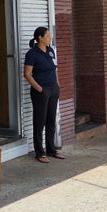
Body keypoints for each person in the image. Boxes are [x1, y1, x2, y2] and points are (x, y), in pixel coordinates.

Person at [24, 27, 65, 163]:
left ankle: (51, 149)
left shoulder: (51, 51)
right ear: (40, 38)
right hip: (41, 91)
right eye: (47, 36)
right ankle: (39, 153)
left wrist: (57, 85)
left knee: (51, 120)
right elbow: (27, 74)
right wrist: (40, 89)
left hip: (53, 89)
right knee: (39, 121)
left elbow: (55, 69)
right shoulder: (32, 54)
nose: (50, 38)